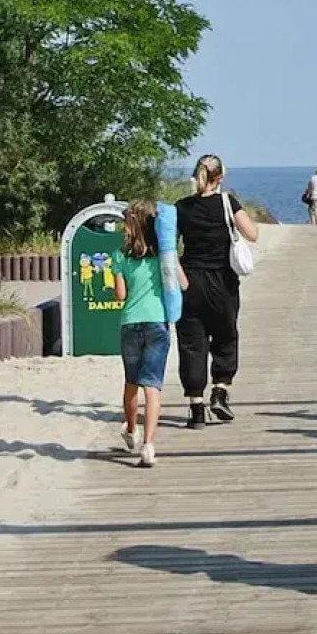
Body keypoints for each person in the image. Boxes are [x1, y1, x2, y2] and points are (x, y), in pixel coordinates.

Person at [176, 155, 260, 429]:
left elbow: (166, 247)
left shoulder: (182, 207)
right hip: (222, 282)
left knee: (192, 344)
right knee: (225, 337)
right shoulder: (227, 202)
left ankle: (196, 409)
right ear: (220, 177)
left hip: (190, 282)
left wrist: (179, 278)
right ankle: (220, 391)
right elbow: (252, 233)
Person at [113, 199, 187, 467]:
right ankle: (148, 445)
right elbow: (184, 284)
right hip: (158, 323)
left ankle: (131, 429)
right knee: (153, 385)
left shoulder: (119, 255)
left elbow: (121, 295)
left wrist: (115, 283)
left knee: (131, 382)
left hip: (131, 322)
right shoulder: (163, 255)